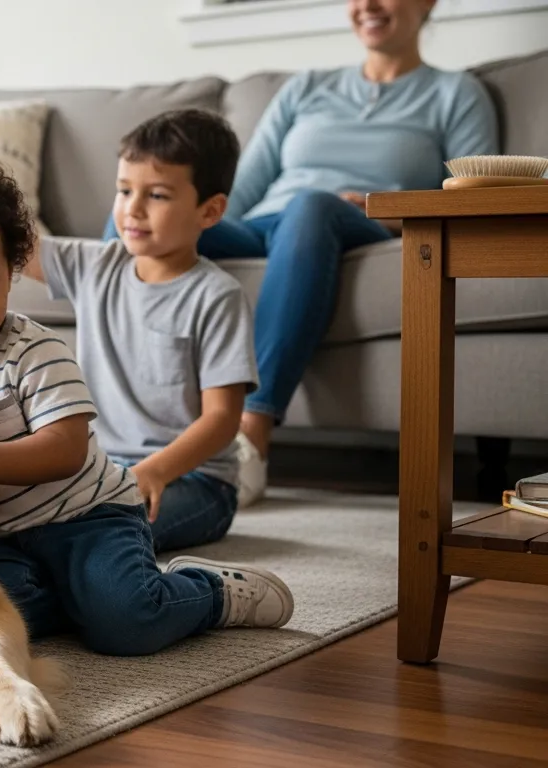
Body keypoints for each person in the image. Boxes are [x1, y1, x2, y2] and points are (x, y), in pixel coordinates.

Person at [0, 150, 293, 653]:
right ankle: (84, 597)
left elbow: (64, 449)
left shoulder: (34, 350)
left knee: (128, 623)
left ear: (11, 270)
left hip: (86, 518)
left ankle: (211, 593)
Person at [102, 0, 499, 506]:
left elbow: (474, 198)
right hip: (265, 227)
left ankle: (252, 434)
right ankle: (115, 429)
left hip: (361, 225)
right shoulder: (308, 87)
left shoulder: (456, 94)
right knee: (129, 222)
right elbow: (238, 192)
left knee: (312, 206)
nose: (367, 6)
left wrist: (389, 211)